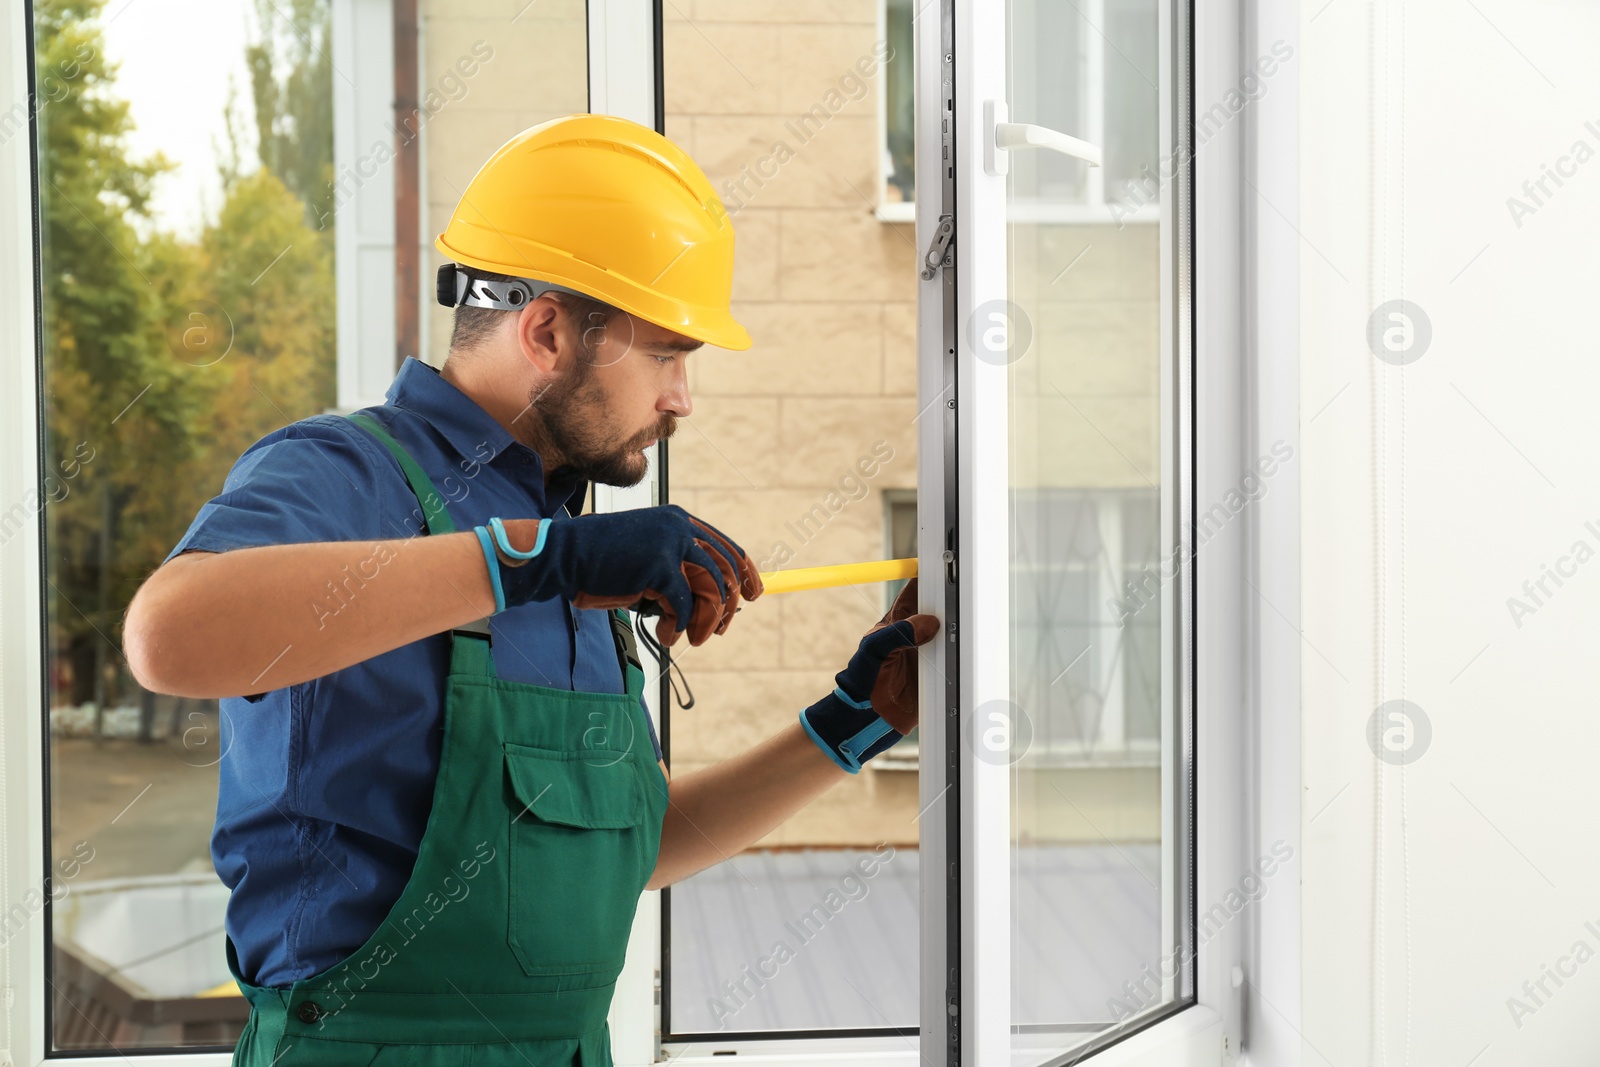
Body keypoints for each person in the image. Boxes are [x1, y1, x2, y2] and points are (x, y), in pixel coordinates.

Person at [123, 114, 939, 1067]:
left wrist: (847, 727)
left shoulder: (578, 547)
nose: (683, 398)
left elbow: (630, 846)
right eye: (668, 354)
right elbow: (168, 635)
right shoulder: (350, 472)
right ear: (548, 329)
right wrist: (530, 559)